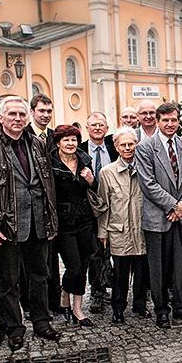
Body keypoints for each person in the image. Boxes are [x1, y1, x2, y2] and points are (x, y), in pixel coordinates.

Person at [0, 96, 61, 351]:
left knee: (40, 275)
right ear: (0, 118)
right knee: (8, 280)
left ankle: (41, 321)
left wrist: (51, 220)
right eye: (12, 114)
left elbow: (47, 185)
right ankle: (14, 328)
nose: (18, 119)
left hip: (38, 223)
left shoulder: (37, 143)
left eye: (22, 115)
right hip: (7, 224)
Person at [135, 102, 182, 327]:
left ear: (179, 121)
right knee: (158, 267)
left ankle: (181, 307)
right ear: (158, 121)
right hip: (157, 217)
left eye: (174, 120)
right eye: (166, 120)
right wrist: (172, 205)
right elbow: (148, 183)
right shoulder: (145, 147)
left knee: (181, 265)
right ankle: (161, 309)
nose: (170, 124)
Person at [91, 128, 149, 324]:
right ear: (116, 147)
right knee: (120, 274)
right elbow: (103, 205)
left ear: (136, 145)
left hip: (141, 228)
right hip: (119, 229)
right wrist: (102, 231)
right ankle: (118, 308)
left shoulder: (145, 168)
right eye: (123, 144)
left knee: (142, 271)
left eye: (131, 144)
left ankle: (140, 305)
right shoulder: (107, 172)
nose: (127, 148)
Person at [51, 124, 99, 326]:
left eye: (73, 140)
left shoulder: (85, 161)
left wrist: (91, 180)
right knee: (75, 266)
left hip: (85, 220)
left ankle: (77, 307)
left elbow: (95, 190)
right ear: (58, 142)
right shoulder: (50, 164)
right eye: (66, 140)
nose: (70, 143)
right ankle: (64, 295)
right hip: (64, 224)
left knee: (84, 264)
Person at [79, 112, 118, 314]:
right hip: (89, 209)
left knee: (114, 248)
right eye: (93, 125)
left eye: (101, 125)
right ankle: (97, 291)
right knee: (95, 251)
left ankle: (115, 287)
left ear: (106, 128)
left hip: (115, 206)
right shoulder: (79, 150)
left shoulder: (114, 148)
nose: (97, 128)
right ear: (87, 128)